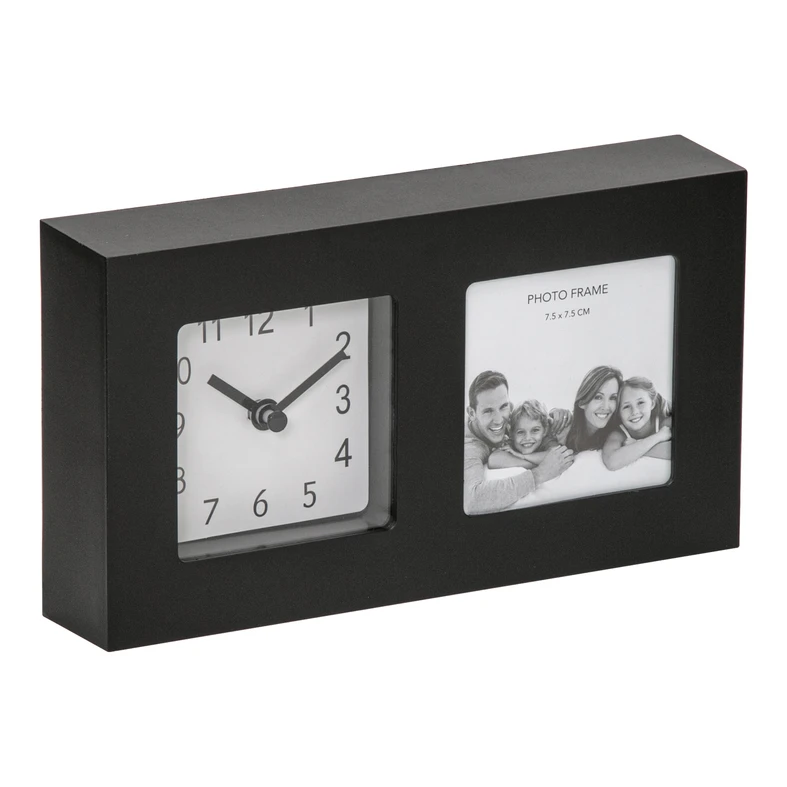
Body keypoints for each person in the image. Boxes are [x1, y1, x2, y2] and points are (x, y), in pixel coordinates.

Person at [464, 371, 573, 514]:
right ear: (472, 413)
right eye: (488, 411)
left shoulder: (510, 416)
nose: (499, 420)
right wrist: (539, 474)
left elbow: (534, 418)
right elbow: (473, 500)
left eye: (503, 406)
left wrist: (556, 415)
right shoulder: (470, 448)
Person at [601, 377, 672, 470]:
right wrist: (658, 437)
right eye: (626, 406)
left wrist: (635, 446)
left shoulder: (665, 422)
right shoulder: (619, 433)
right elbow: (612, 462)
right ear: (618, 413)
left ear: (652, 404)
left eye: (640, 403)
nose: (634, 412)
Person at [488, 399, 573, 473]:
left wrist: (523, 456)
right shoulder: (511, 442)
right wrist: (539, 463)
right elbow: (493, 460)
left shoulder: (546, 440)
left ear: (545, 430)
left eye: (535, 430)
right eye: (520, 432)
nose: (527, 438)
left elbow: (559, 455)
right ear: (511, 433)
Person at [564, 366, 624, 452]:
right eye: (598, 397)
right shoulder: (564, 429)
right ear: (582, 402)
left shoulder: (618, 434)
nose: (606, 407)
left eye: (613, 398)